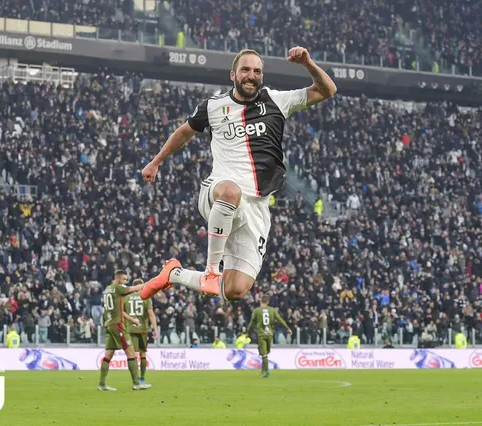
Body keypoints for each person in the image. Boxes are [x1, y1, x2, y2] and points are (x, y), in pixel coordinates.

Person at [140, 46, 337, 303]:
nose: (251, 75)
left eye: (257, 70)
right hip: (219, 191)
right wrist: (156, 162)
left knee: (235, 290)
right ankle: (211, 270)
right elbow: (184, 132)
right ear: (233, 75)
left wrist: (308, 63)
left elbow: (327, 90)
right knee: (230, 191)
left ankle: (173, 274)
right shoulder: (213, 106)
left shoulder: (276, 101)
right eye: (245, 69)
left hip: (256, 206)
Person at [98, 270, 151, 391]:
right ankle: (136, 383)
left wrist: (132, 319)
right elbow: (134, 289)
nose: (126, 282)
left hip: (109, 324)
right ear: (117, 279)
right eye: (124, 279)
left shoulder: (107, 290)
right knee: (131, 353)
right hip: (118, 325)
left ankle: (101, 384)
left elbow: (119, 310)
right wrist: (150, 283)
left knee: (108, 355)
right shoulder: (118, 288)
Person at [246, 294, 291, 378]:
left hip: (261, 334)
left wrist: (247, 332)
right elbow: (280, 319)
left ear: (260, 301)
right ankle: (263, 371)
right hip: (270, 334)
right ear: (268, 302)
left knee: (264, 354)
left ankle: (266, 372)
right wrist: (287, 328)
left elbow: (251, 323)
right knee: (266, 353)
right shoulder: (272, 310)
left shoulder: (257, 310)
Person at [123, 279, 158, 386]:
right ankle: (142, 378)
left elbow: (121, 312)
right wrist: (155, 329)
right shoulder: (146, 297)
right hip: (143, 329)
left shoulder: (126, 298)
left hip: (130, 329)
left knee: (132, 355)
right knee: (143, 354)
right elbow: (151, 314)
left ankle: (135, 379)